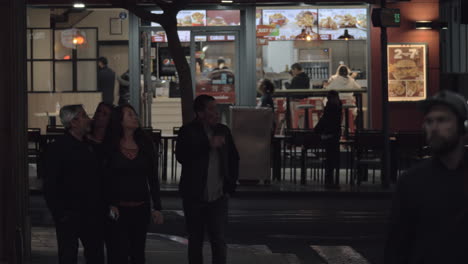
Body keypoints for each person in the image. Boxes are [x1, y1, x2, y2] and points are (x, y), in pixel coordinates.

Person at [385, 90, 468, 264]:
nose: (434, 128)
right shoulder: (411, 182)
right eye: (429, 121)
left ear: (462, 127)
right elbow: (396, 245)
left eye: (442, 120)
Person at [176, 94, 240, 264]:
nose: (216, 113)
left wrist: (230, 184)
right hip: (194, 195)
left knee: (218, 239)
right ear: (200, 113)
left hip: (218, 196)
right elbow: (182, 156)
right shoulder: (188, 131)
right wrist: (207, 145)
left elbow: (234, 158)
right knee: (195, 240)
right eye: (211, 109)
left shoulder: (223, 130)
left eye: (216, 108)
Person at [43, 104, 105, 264]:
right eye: (84, 116)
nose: (88, 119)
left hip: (91, 213)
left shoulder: (89, 146)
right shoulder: (58, 148)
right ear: (73, 122)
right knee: (68, 255)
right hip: (69, 213)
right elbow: (50, 184)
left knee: (95, 254)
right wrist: (59, 213)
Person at [103, 104, 164, 264]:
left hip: (141, 207)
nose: (135, 117)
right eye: (130, 114)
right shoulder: (111, 145)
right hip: (118, 208)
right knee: (118, 253)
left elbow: (152, 178)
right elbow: (106, 178)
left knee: (138, 253)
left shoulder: (145, 143)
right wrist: (111, 203)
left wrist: (157, 207)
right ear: (120, 120)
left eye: (135, 114)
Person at [313, 90, 342, 189]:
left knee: (329, 157)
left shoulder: (329, 107)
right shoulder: (338, 107)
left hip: (328, 135)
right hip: (335, 135)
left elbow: (324, 121)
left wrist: (316, 131)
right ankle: (331, 179)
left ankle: (329, 179)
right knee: (332, 158)